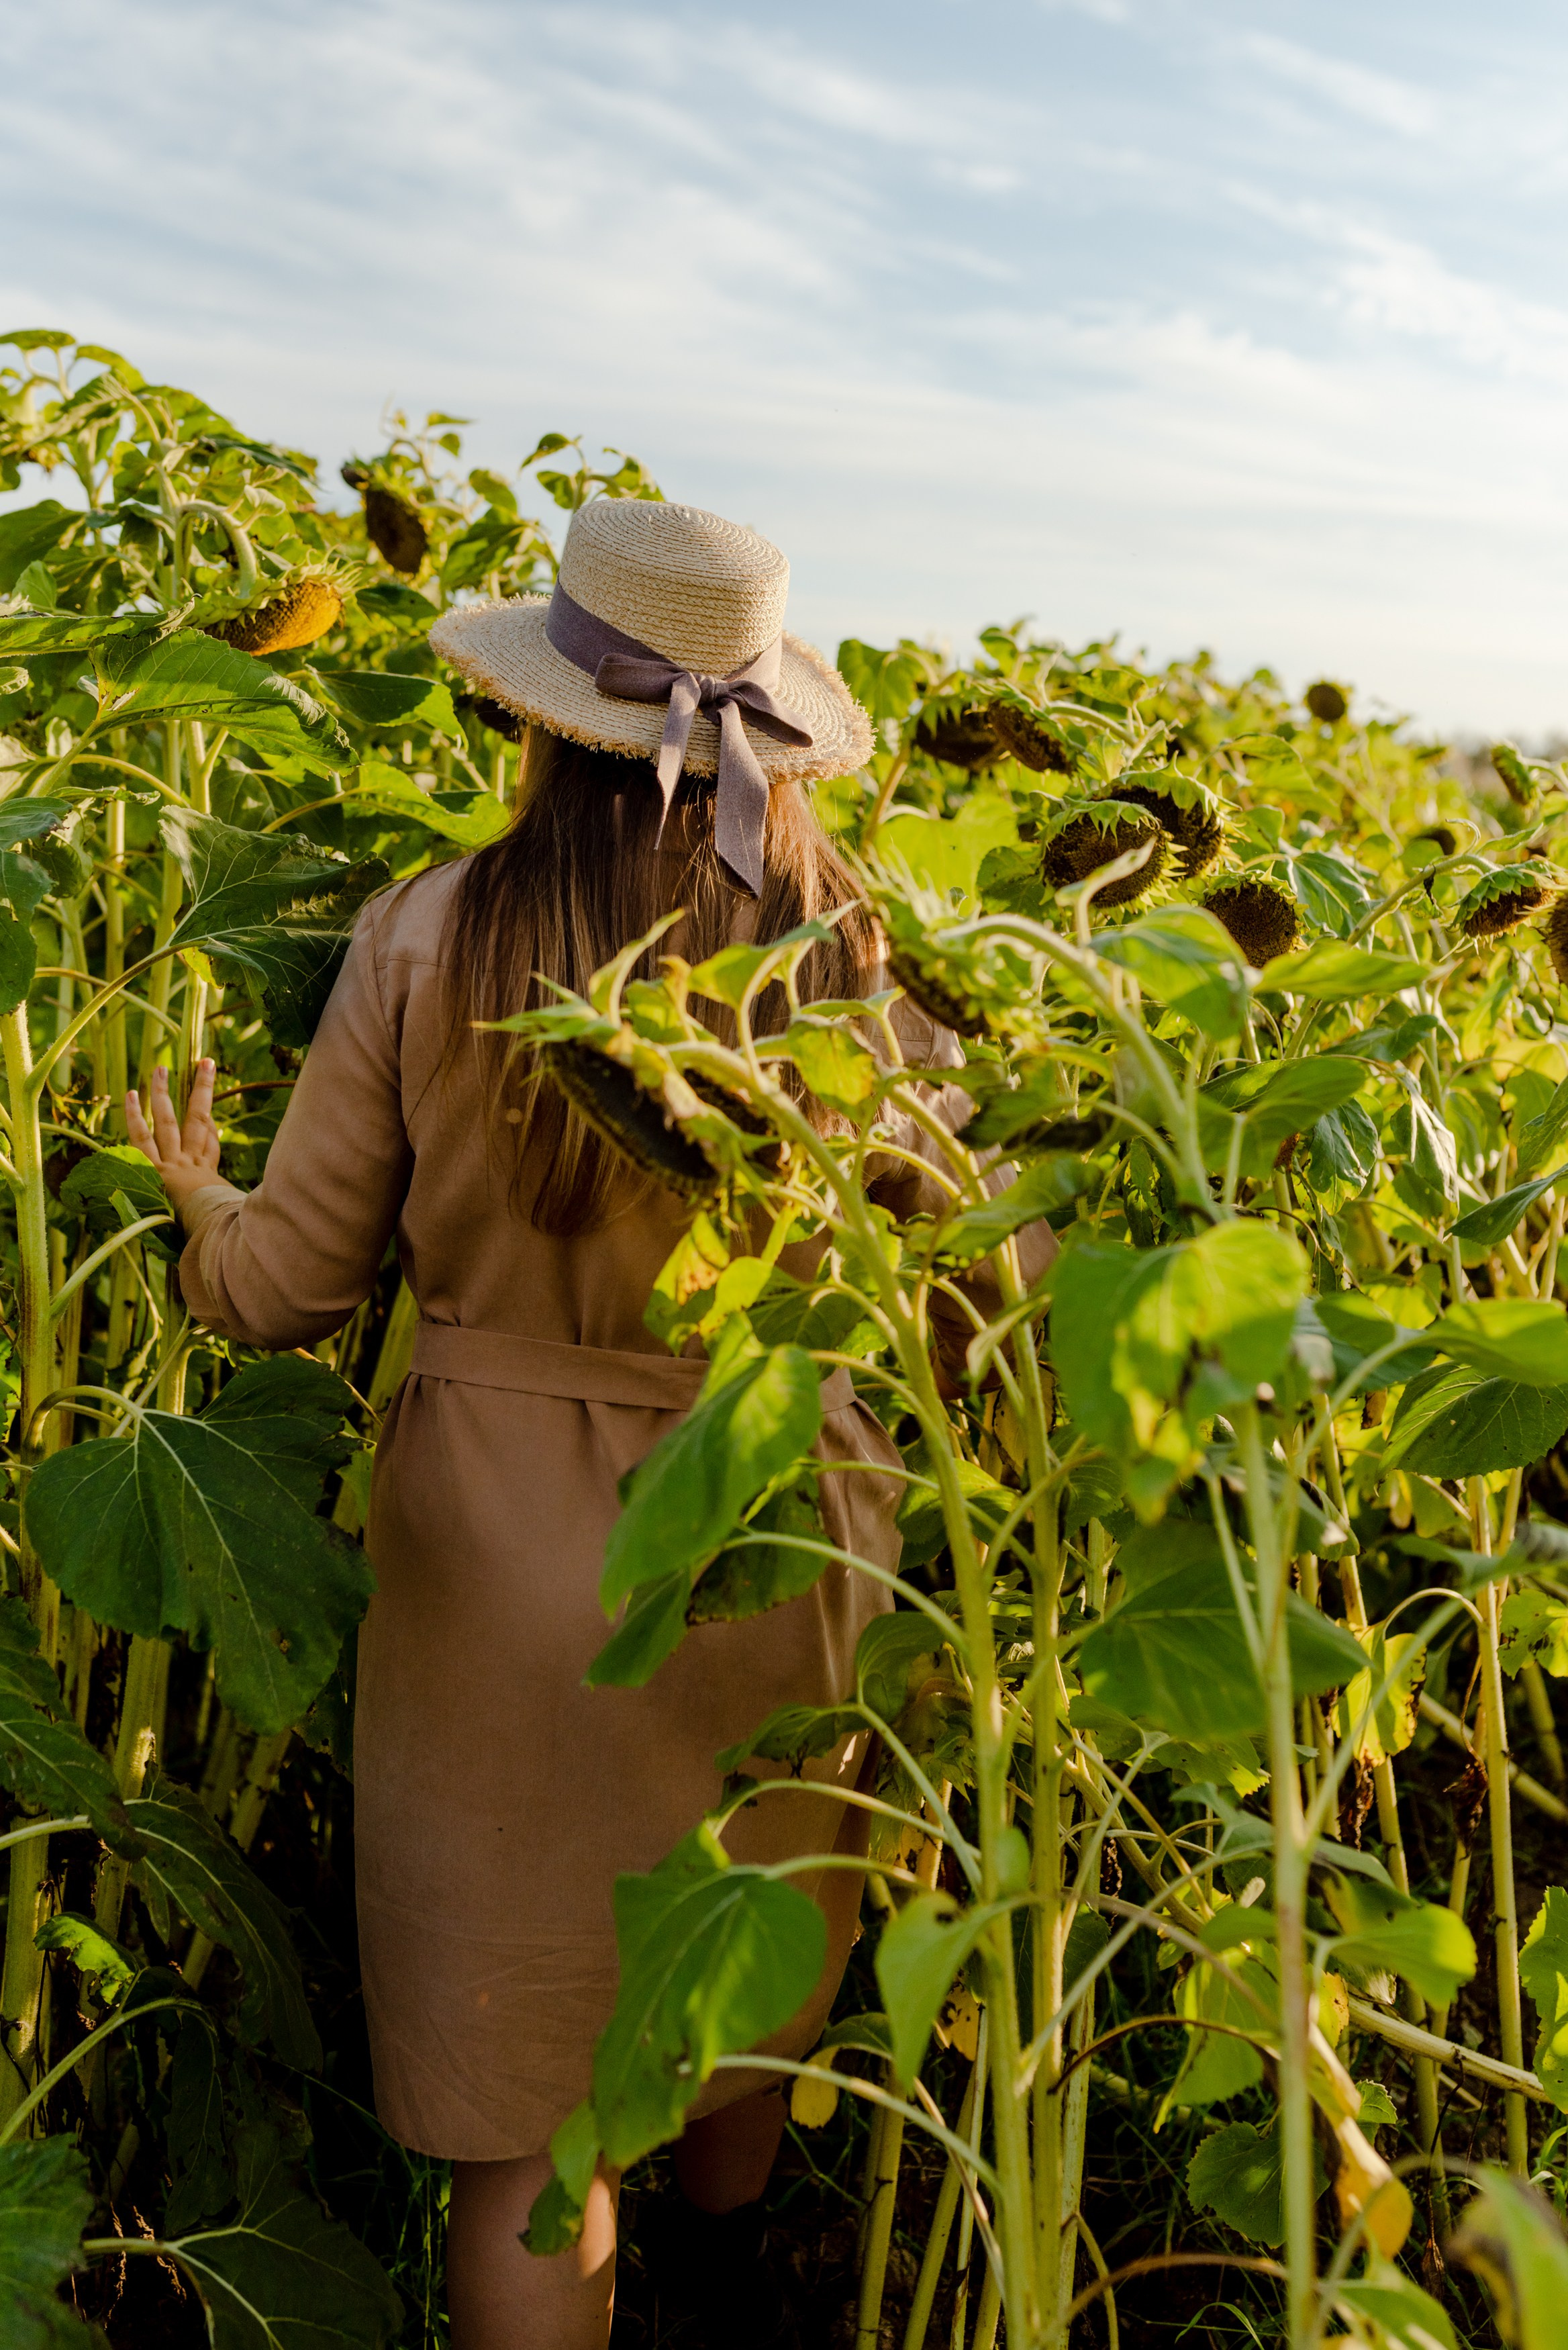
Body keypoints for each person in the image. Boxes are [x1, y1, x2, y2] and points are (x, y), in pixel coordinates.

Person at [128, 498, 1049, 2349]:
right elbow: (981, 1299)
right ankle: (718, 2305)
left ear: (548, 717)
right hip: (776, 1529)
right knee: (737, 1998)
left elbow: (284, 1291)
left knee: (531, 2129)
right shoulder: (864, 960)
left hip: (496, 1580)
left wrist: (199, 1195)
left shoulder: (431, 932)